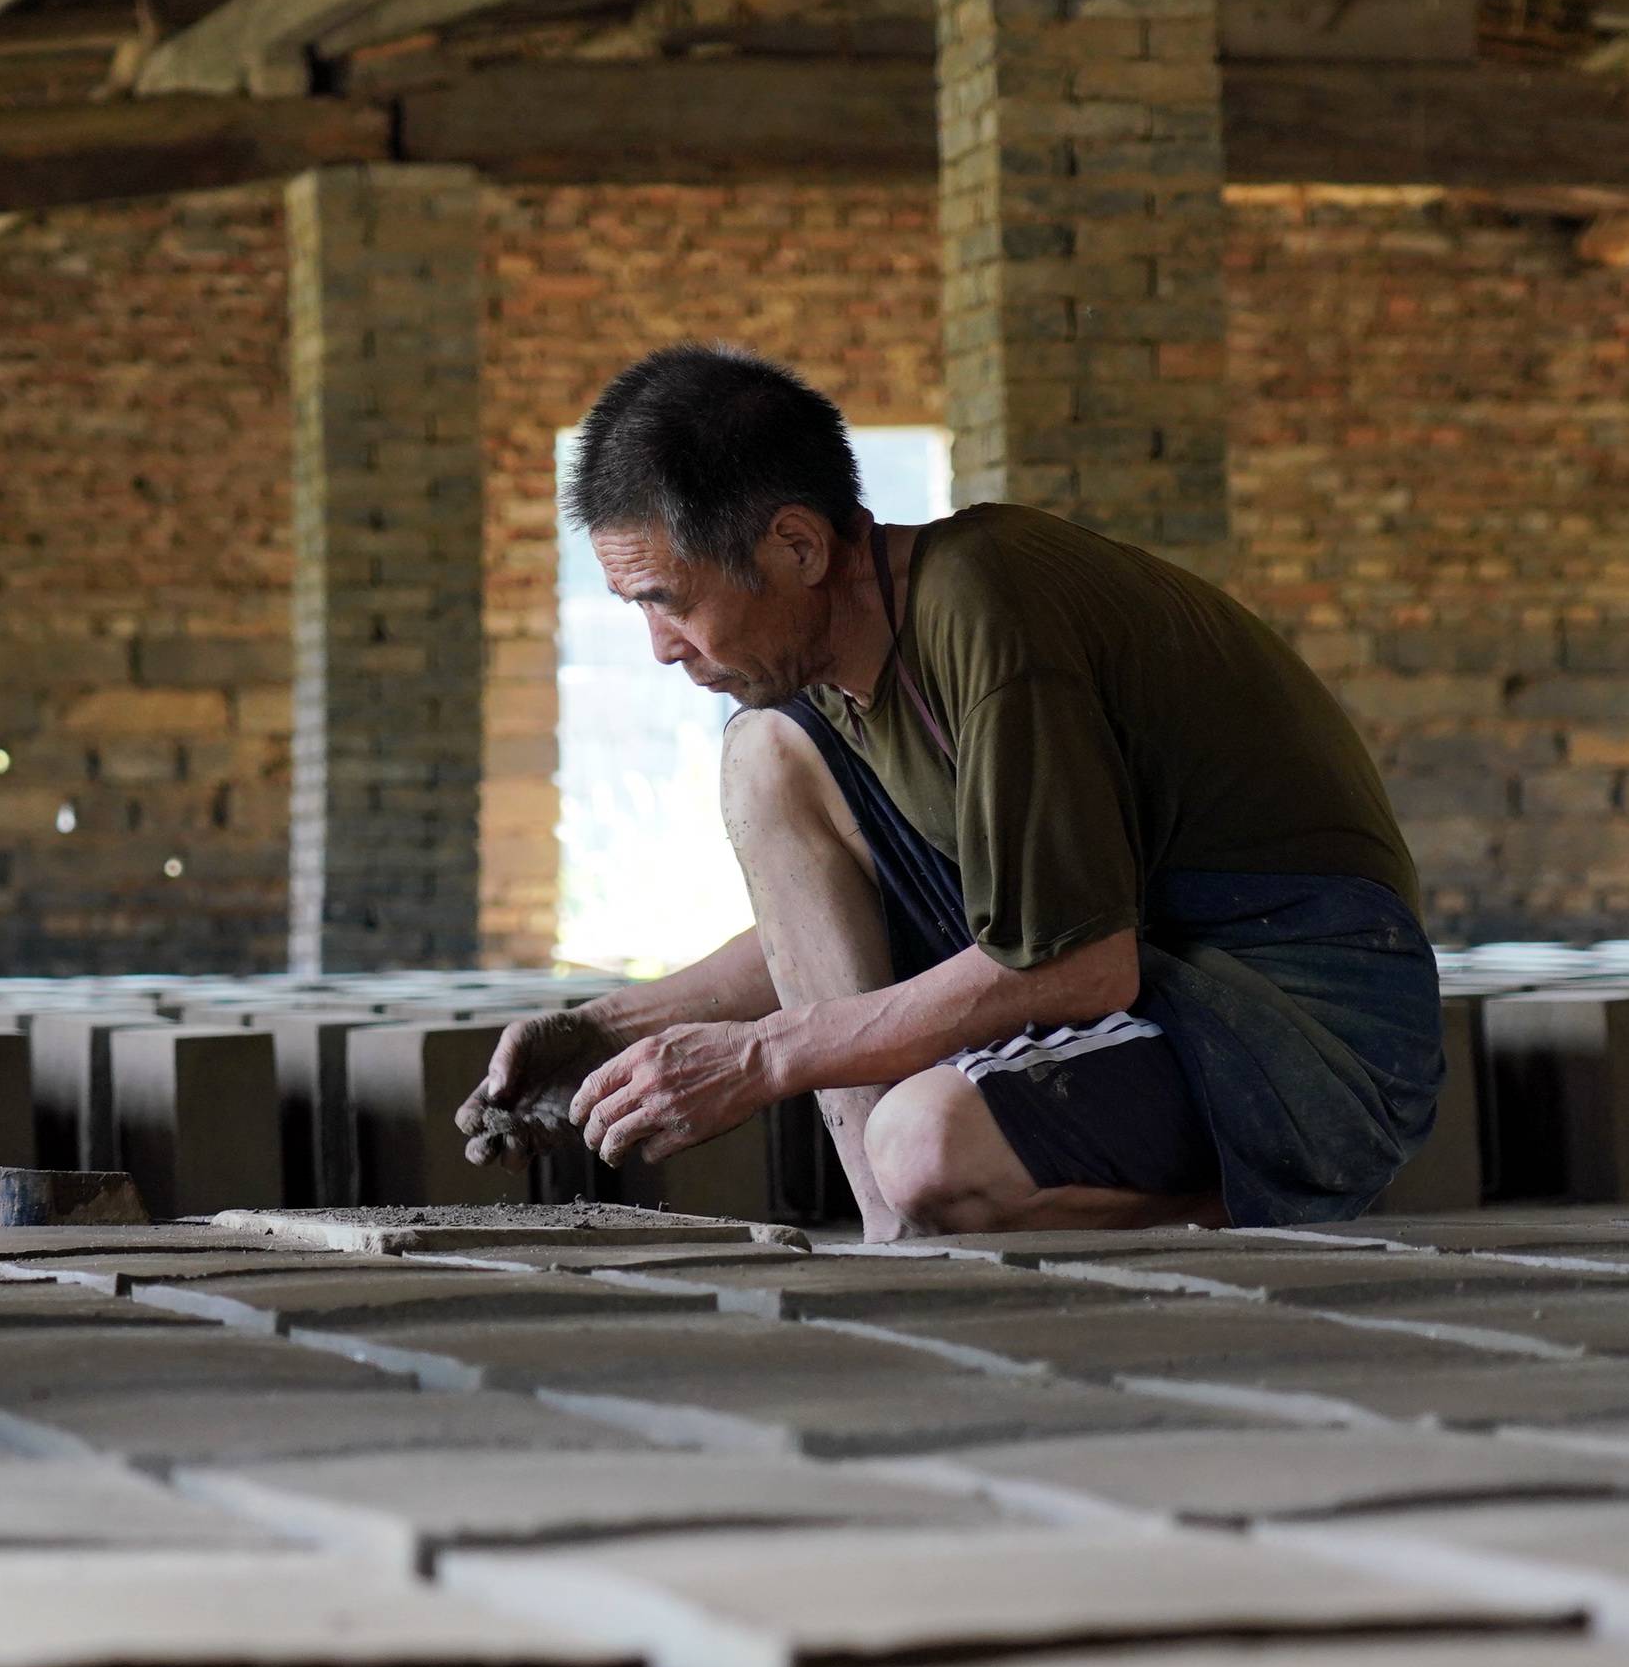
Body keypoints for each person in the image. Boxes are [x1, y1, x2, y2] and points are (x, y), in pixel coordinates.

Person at [463, 342, 1443, 1239]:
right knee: (763, 755)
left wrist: (762, 1059)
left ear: (796, 548)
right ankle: (900, 1239)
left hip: (1297, 1021)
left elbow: (1079, 964)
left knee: (929, 1144)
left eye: (667, 602)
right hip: (1158, 970)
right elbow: (836, 934)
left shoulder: (986, 610)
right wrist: (604, 1030)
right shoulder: (842, 676)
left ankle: (1233, 1220)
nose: (660, 648)